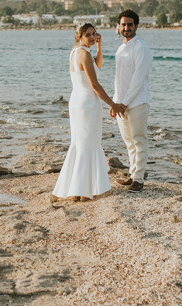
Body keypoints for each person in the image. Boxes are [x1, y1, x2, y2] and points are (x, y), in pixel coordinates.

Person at [51, 23, 126, 202]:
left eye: (94, 34)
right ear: (80, 36)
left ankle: (76, 190)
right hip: (88, 104)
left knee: (81, 143)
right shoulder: (84, 54)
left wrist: (99, 47)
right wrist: (113, 104)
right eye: (88, 35)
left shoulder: (76, 52)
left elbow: (97, 66)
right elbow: (94, 84)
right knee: (87, 145)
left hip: (77, 102)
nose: (92, 37)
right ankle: (84, 192)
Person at [112, 9, 152, 191]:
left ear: (136, 26)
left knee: (139, 140)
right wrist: (115, 103)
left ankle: (139, 180)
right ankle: (132, 174)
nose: (126, 28)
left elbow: (138, 80)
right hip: (121, 104)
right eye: (123, 24)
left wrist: (123, 103)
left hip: (137, 103)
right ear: (118, 26)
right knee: (129, 142)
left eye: (130, 24)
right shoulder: (121, 49)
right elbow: (119, 80)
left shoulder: (141, 47)